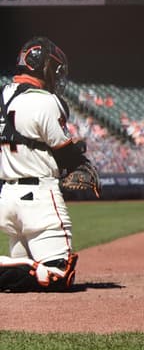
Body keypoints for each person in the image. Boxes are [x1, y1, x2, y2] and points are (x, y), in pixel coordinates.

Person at [0, 37, 82, 291]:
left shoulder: (2, 95)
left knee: (20, 281)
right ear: (43, 66)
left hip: (7, 196)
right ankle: (32, 267)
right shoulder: (45, 100)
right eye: (54, 69)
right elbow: (64, 152)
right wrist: (81, 162)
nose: (56, 77)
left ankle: (21, 266)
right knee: (59, 274)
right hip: (39, 197)